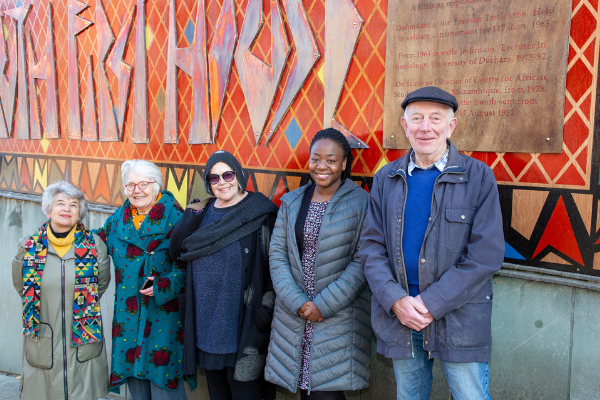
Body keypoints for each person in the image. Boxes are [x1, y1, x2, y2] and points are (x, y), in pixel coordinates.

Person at [360, 86, 504, 400]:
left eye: (436, 118)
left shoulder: (478, 177)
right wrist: (396, 300)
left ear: (451, 125)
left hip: (460, 316)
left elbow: (486, 255)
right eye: (417, 118)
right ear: (404, 124)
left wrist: (429, 303)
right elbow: (371, 247)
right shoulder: (386, 178)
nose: (426, 127)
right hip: (401, 316)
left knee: (471, 396)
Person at [265, 128, 372, 399]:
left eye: (331, 159)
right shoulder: (291, 202)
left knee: (328, 394)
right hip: (294, 317)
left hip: (336, 317)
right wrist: (297, 301)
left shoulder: (362, 202)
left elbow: (364, 260)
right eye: (316, 158)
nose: (322, 166)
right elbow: (277, 254)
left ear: (344, 163)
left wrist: (322, 305)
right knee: (304, 393)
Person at [169, 150, 279, 400]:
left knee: (246, 391)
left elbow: (275, 268)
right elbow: (177, 250)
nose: (222, 182)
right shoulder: (202, 212)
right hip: (208, 325)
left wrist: (265, 313)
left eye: (227, 174)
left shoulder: (259, 212)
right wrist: (190, 214)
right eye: (214, 178)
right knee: (217, 393)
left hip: (245, 326)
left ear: (238, 175)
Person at [95, 160, 194, 399]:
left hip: (163, 316)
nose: (136, 190)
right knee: (134, 384)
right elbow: (92, 246)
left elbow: (188, 266)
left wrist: (163, 285)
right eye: (130, 185)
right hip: (127, 317)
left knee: (163, 383)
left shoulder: (178, 219)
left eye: (143, 184)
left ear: (156, 185)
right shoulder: (117, 220)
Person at [12, 181, 111, 400]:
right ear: (48, 210)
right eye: (60, 203)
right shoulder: (29, 246)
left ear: (80, 212)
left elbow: (100, 285)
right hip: (44, 336)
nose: (67, 209)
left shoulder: (94, 246)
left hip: (84, 341)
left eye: (73, 205)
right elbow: (21, 286)